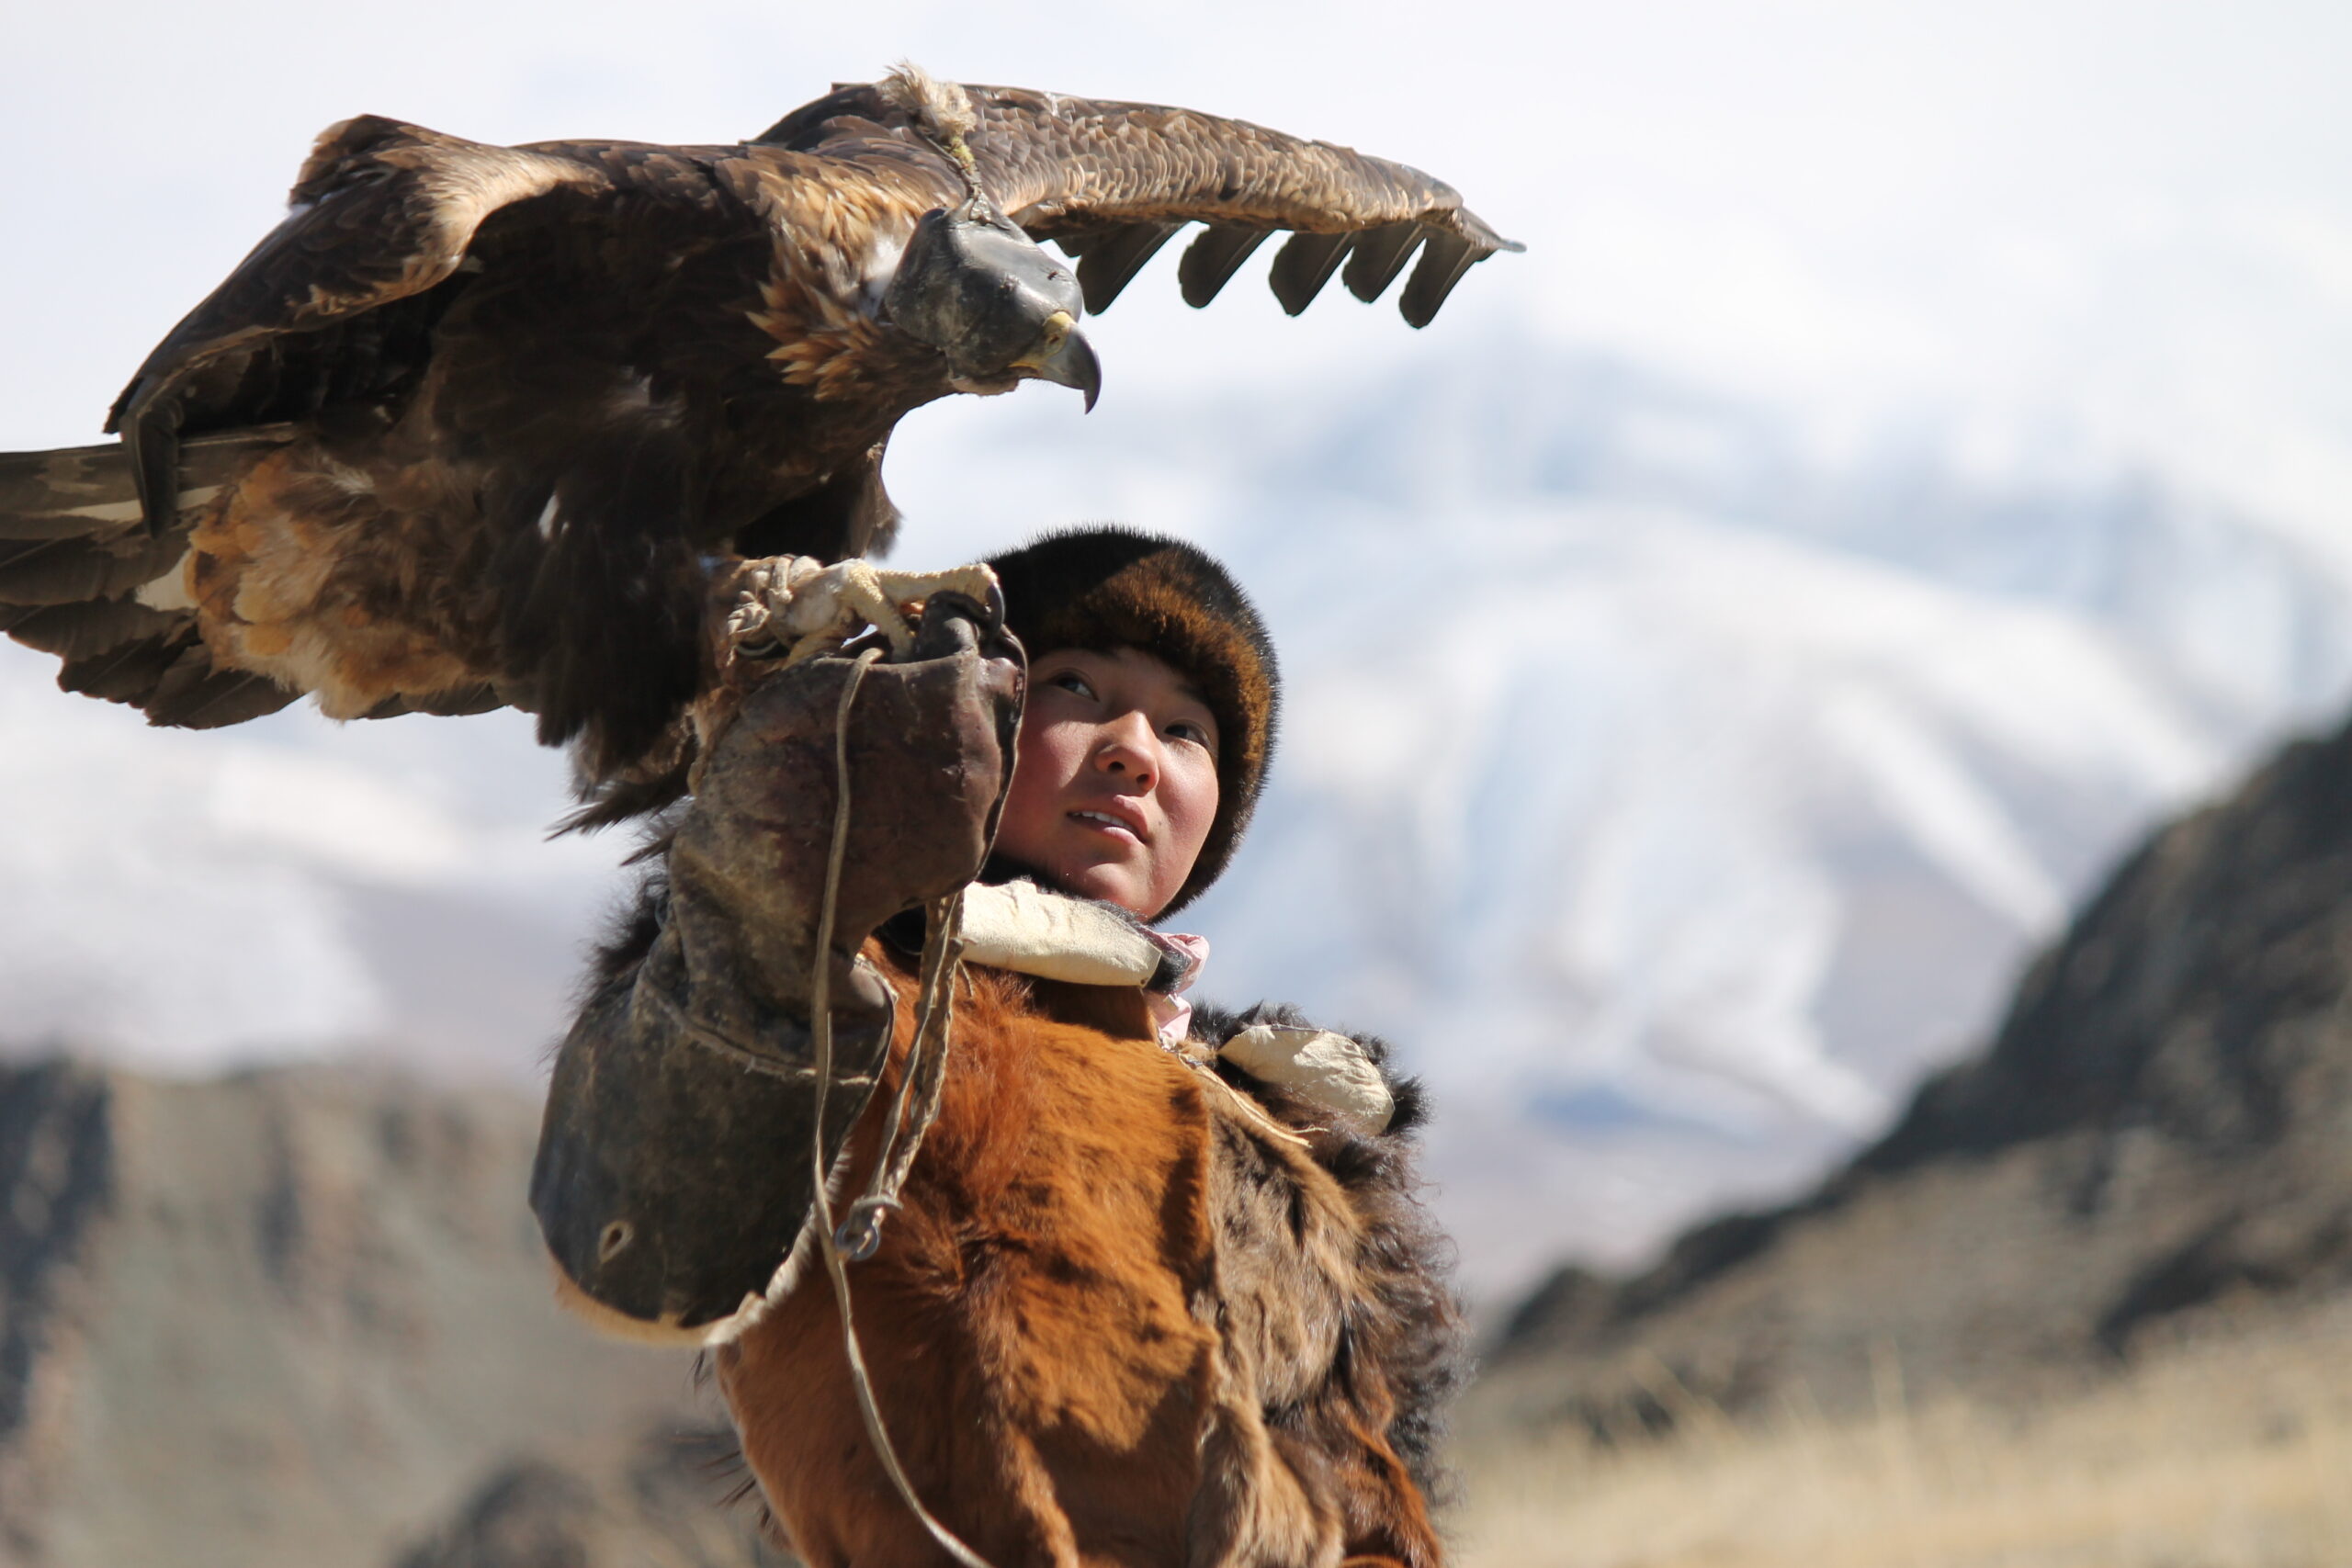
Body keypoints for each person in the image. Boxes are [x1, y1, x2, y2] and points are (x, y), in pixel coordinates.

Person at [531, 526, 1463, 1567]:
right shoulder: (848, 984)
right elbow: (643, 1238)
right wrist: (766, 871)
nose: (1134, 749)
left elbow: (1372, 1514)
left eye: (1186, 730)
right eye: (1076, 685)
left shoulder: (1286, 1136)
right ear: (976, 712)